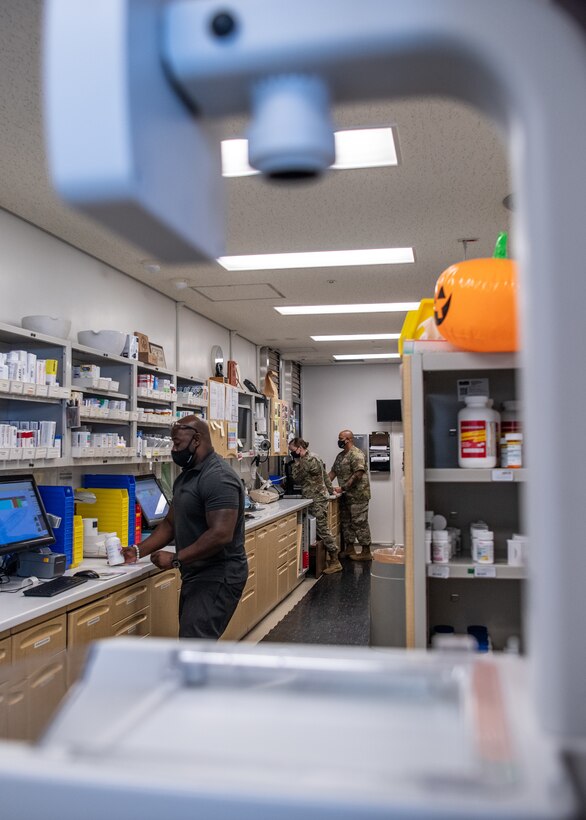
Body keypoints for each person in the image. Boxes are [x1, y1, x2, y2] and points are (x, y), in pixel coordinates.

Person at [122, 416, 248, 639]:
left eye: (177, 443)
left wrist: (175, 559)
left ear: (197, 439)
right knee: (193, 642)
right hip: (197, 573)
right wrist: (139, 550)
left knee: (194, 644)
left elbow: (220, 534)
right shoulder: (187, 476)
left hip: (219, 575)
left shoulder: (218, 477)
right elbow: (171, 523)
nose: (174, 449)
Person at [288, 437, 342, 575]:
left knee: (322, 529)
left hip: (315, 498)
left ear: (300, 448)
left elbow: (297, 478)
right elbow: (325, 476)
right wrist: (330, 491)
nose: (291, 453)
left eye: (292, 451)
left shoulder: (306, 461)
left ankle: (335, 561)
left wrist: (295, 463)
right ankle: (332, 558)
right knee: (322, 528)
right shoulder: (315, 456)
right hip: (320, 496)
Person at [329, 429, 373, 561]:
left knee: (359, 522)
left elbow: (358, 474)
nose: (339, 441)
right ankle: (349, 548)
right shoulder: (340, 456)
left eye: (341, 438)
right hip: (346, 496)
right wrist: (323, 484)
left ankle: (366, 551)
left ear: (349, 439)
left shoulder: (357, 454)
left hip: (358, 495)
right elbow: (332, 473)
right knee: (346, 522)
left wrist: (342, 488)